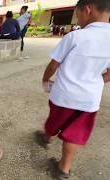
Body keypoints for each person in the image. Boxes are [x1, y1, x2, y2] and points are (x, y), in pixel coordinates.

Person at [37, 0, 110, 179]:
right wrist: (95, 82)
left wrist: (46, 79)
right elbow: (109, 75)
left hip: (63, 96)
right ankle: (64, 169)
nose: (78, 20)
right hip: (89, 100)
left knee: (54, 121)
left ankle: (47, 137)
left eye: (78, 15)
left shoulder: (75, 36)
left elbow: (54, 64)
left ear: (87, 9)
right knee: (74, 135)